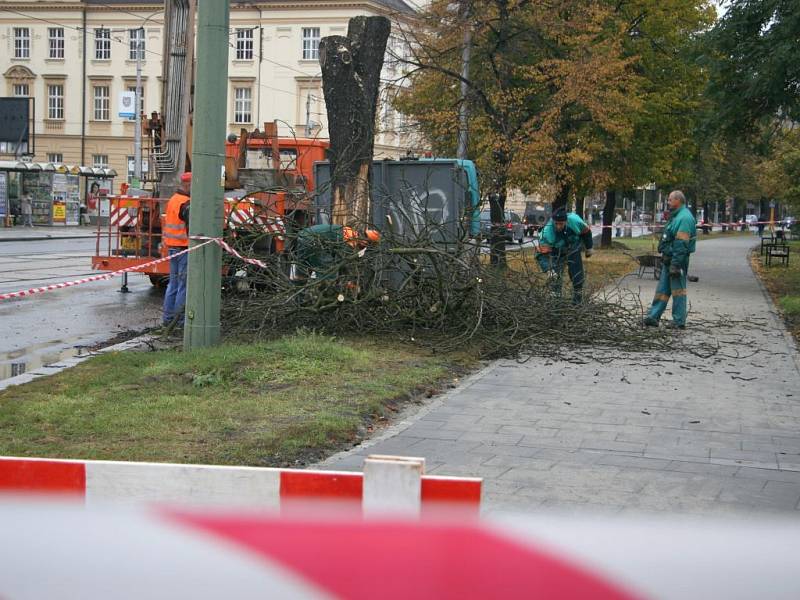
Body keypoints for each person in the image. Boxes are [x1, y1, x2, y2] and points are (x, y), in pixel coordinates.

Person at [643, 190, 697, 329]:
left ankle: (679, 322)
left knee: (678, 291)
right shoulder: (677, 216)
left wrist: (676, 264)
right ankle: (653, 317)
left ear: (678, 200)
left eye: (670, 200)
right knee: (662, 290)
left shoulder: (684, 218)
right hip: (670, 259)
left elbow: (681, 244)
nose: (668, 202)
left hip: (676, 260)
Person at [536, 207, 593, 304]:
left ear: (566, 221)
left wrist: (589, 247)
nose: (558, 226)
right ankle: (555, 303)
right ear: (553, 222)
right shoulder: (547, 233)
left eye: (561, 224)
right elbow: (541, 254)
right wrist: (549, 269)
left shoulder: (575, 221)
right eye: (556, 224)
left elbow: (586, 232)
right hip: (556, 249)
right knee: (555, 276)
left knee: (576, 273)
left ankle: (577, 301)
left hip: (573, 245)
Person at [162, 172, 191, 326]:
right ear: (188, 185)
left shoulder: (173, 199)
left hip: (172, 247)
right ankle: (179, 321)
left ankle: (167, 319)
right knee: (183, 286)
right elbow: (192, 224)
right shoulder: (186, 202)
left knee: (173, 284)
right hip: (183, 248)